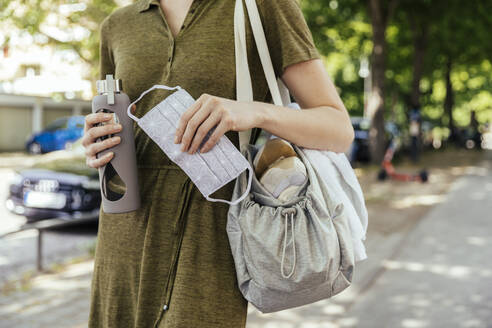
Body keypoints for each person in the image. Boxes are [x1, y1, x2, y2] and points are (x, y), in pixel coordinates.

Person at [81, 0, 354, 327]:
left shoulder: (262, 6)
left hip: (211, 236)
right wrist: (96, 145)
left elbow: (339, 129)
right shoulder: (117, 24)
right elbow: (111, 122)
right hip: (123, 235)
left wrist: (254, 111)